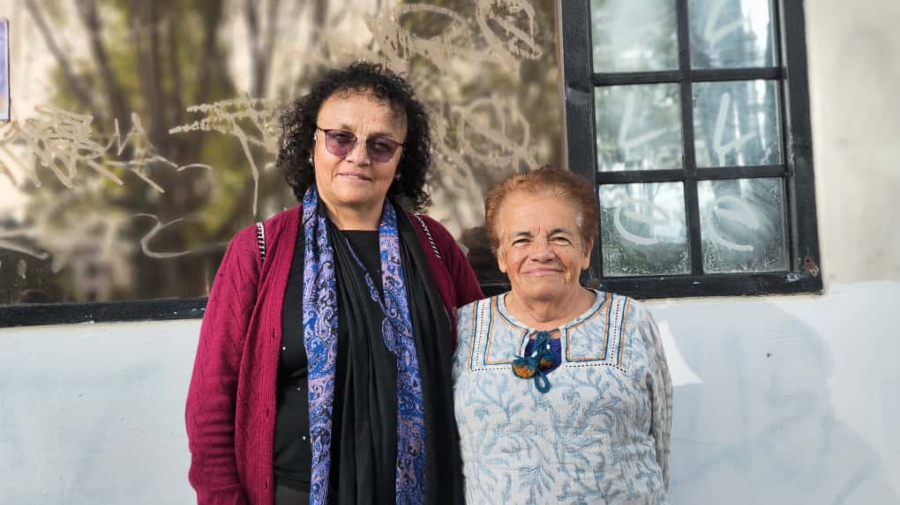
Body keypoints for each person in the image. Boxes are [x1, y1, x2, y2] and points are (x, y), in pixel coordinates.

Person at [186, 61, 483, 505]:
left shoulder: (433, 245)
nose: (358, 156)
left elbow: (483, 368)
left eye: (381, 145)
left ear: (402, 159)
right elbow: (211, 405)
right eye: (341, 138)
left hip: (429, 491)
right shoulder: (260, 252)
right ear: (313, 144)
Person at [452, 167, 673, 504]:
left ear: (585, 250)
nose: (542, 252)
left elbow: (661, 442)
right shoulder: (466, 327)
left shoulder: (630, 320)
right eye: (522, 239)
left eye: (560, 237)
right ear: (500, 255)